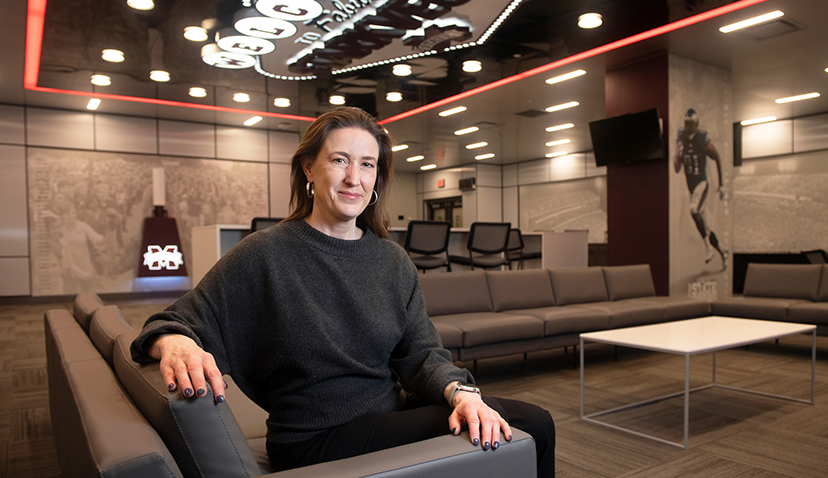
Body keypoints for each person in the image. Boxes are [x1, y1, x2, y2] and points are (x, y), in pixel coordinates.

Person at [131, 106, 555, 476]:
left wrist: (463, 394)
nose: (355, 178)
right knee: (514, 428)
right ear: (309, 169)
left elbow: (422, 354)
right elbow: (171, 321)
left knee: (532, 420)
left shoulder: (391, 261)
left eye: (368, 164)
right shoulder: (265, 253)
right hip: (315, 438)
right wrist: (175, 343)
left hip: (386, 415)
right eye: (340, 160)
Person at [674, 107, 729, 268]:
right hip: (692, 188)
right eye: (687, 123)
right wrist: (677, 156)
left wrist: (721, 184)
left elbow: (717, 157)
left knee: (693, 210)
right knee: (705, 227)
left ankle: (707, 249)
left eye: (691, 123)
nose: (689, 126)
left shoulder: (703, 141)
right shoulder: (682, 139)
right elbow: (677, 168)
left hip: (702, 184)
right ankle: (722, 250)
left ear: (696, 124)